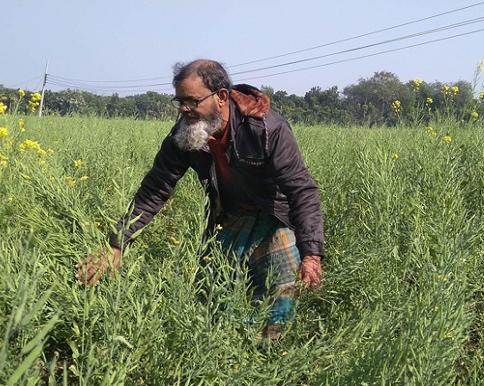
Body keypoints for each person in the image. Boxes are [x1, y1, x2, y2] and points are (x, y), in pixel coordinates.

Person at [76, 59, 324, 342]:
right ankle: (219, 350)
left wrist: (311, 254)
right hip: (228, 215)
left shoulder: (267, 129)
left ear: (220, 97)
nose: (184, 109)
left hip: (274, 213)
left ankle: (268, 357)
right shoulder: (185, 134)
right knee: (212, 294)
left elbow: (301, 189)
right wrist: (117, 243)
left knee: (279, 290)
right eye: (180, 100)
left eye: (192, 101)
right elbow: (156, 188)